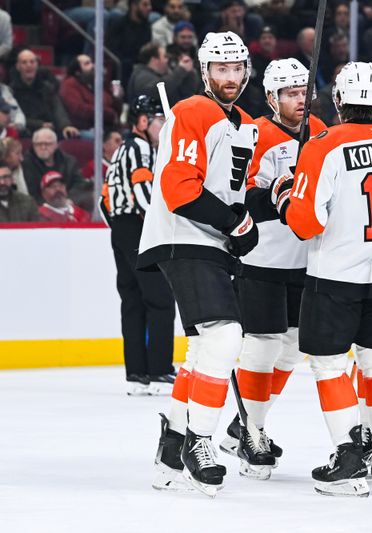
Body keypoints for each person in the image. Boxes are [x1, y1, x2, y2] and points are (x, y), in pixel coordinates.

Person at [274, 61, 372, 497]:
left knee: (329, 365)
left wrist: (286, 194)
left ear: (340, 102)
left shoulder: (324, 144)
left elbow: (305, 223)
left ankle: (348, 457)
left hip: (336, 272)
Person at [140, 31, 263, 497]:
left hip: (211, 242)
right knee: (225, 335)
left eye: (236, 69)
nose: (229, 78)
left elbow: (243, 191)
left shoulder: (247, 124)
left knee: (202, 352)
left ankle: (171, 446)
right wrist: (236, 224)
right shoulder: (192, 111)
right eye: (220, 69)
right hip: (182, 236)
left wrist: (269, 200)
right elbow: (181, 189)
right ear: (205, 70)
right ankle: (200, 441)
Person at [216, 58, 327, 479]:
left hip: (306, 259)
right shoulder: (253, 134)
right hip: (261, 259)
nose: (299, 100)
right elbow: (238, 194)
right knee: (261, 346)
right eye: (289, 94)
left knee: (295, 346)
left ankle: (244, 422)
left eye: (303, 92)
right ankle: (254, 431)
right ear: (271, 97)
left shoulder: (322, 133)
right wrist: (276, 194)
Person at [102, 95, 176, 395]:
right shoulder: (142, 148)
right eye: (160, 121)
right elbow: (145, 196)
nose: (163, 128)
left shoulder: (121, 149)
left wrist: (120, 230)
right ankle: (158, 371)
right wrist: (165, 222)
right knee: (159, 298)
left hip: (120, 229)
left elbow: (103, 199)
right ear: (143, 122)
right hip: (138, 227)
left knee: (132, 301)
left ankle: (137, 372)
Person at [10, 49, 79, 139]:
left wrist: (65, 125)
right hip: (26, 131)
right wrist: (40, 125)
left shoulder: (47, 87)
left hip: (49, 129)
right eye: (24, 62)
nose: (29, 65)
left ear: (37, 65)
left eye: (32, 62)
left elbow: (57, 108)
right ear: (18, 67)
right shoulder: (11, 91)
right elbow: (14, 118)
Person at [59, 54, 121, 136]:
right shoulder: (69, 84)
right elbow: (78, 109)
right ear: (77, 72)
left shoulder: (95, 83)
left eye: (92, 62)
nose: (93, 66)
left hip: (105, 127)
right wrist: (109, 114)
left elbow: (112, 106)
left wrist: (117, 98)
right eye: (87, 63)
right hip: (83, 129)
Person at [22, 128, 84, 204]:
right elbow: (31, 193)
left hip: (69, 203)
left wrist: (69, 200)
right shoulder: (26, 164)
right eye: (38, 144)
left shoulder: (69, 161)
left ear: (56, 145)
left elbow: (80, 186)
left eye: (47, 144)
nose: (43, 147)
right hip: (40, 208)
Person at [127, 43, 198, 108]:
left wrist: (188, 72)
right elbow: (157, 91)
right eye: (165, 57)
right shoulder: (141, 76)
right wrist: (181, 70)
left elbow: (185, 96)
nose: (167, 60)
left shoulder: (162, 75)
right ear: (154, 60)